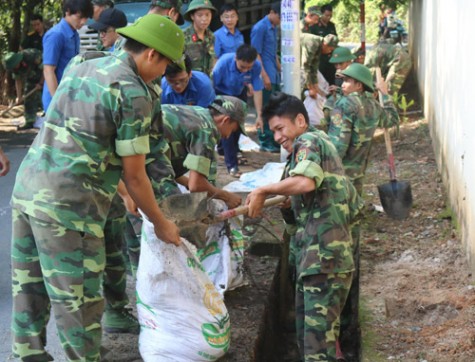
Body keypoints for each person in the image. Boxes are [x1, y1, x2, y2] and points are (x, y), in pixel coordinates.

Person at [10, 14, 184, 361]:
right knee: (80, 301)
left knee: (28, 291)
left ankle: (29, 356)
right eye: (166, 65)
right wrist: (161, 222)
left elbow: (87, 140)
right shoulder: (133, 92)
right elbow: (135, 175)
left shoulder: (81, 63)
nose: (164, 75)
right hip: (70, 208)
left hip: (28, 190)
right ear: (151, 54)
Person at [245, 92, 362, 361]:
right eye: (273, 131)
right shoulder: (306, 155)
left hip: (325, 262)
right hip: (317, 261)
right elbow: (298, 219)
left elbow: (306, 182)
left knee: (317, 350)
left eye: (279, 128)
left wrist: (264, 189)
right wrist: (287, 207)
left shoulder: (308, 141)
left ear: (300, 120)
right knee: (309, 342)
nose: (277, 137)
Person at [325, 63, 399, 360]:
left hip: (338, 183)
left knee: (334, 243)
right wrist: (385, 95)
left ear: (358, 85)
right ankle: (351, 296)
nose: (342, 85)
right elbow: (392, 118)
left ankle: (339, 316)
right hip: (357, 182)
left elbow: (337, 147)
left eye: (346, 82)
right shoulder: (372, 105)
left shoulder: (345, 105)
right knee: (351, 239)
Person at [212, 44, 264, 177]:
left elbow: (258, 90)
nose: (245, 70)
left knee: (238, 126)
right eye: (242, 67)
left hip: (239, 93)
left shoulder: (256, 66)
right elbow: (212, 85)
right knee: (227, 125)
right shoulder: (223, 63)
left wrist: (259, 115)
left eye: (249, 68)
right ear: (236, 58)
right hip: (221, 93)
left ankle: (225, 150)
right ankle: (232, 165)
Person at [42, 0, 93, 112]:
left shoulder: (74, 34)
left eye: (86, 17)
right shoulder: (56, 35)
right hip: (56, 100)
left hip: (68, 96)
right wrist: (57, 102)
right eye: (80, 17)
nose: (84, 21)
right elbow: (48, 70)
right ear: (68, 12)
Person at [251, 1, 281, 153]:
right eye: (279, 17)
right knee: (265, 108)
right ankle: (264, 140)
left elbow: (273, 51)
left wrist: (279, 67)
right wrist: (265, 75)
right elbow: (256, 54)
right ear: (272, 12)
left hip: (273, 73)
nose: (280, 21)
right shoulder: (260, 28)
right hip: (265, 75)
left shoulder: (274, 28)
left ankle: (273, 140)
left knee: (274, 108)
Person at [2, 49, 43, 130]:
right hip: (31, 78)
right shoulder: (14, 67)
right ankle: (30, 121)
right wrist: (19, 96)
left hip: (46, 74)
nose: (14, 68)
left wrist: (41, 83)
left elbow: (47, 68)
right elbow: (18, 80)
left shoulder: (31, 56)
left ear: (18, 61)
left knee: (47, 96)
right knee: (28, 99)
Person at [183, 0, 217, 76]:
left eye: (207, 15)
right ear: (192, 16)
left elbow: (212, 61)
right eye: (200, 15)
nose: (204, 19)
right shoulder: (183, 37)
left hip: (207, 82)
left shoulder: (211, 36)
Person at [300, 33, 338, 99]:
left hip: (300, 62)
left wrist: (315, 84)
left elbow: (314, 67)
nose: (330, 52)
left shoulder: (320, 47)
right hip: (289, 58)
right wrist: (311, 87)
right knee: (301, 83)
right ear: (325, 44)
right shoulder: (312, 44)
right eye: (330, 49)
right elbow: (306, 66)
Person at [309, 4, 338, 85]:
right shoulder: (314, 26)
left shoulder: (332, 26)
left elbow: (335, 40)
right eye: (327, 15)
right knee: (320, 81)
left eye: (330, 16)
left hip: (330, 58)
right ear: (321, 14)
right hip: (319, 58)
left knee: (331, 81)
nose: (329, 17)